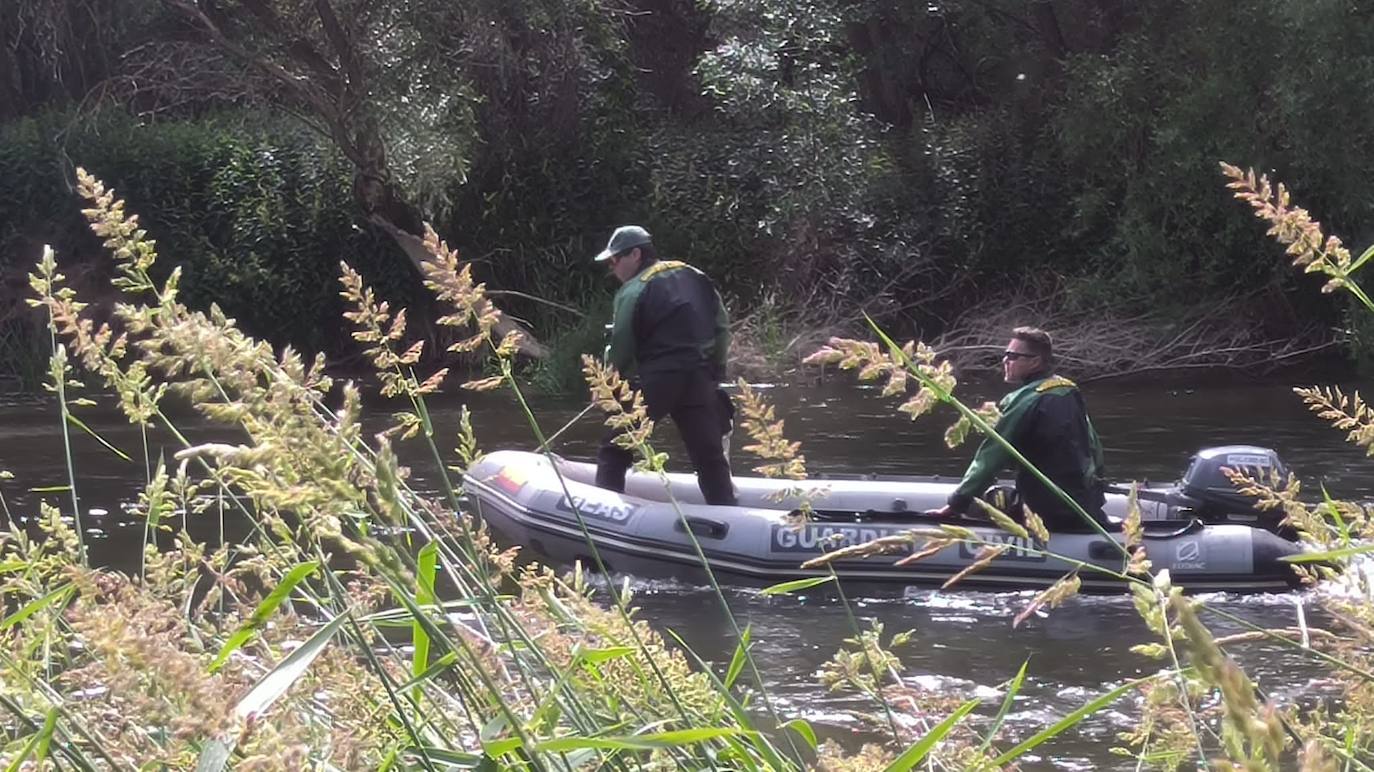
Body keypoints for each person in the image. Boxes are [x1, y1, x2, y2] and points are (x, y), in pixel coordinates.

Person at [592, 225, 738, 505]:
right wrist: (716, 371)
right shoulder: (696, 276)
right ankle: (726, 510)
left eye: (615, 260)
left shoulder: (633, 290)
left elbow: (622, 342)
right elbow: (721, 326)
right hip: (698, 377)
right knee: (708, 456)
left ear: (635, 254)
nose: (612, 268)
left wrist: (608, 383)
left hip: (659, 378)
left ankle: (603, 510)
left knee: (615, 447)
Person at [927, 327, 1107, 532]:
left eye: (1012, 356)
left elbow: (992, 456)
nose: (1005, 360)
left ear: (1035, 361)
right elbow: (1095, 449)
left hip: (1044, 515)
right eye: (1005, 355)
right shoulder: (1068, 390)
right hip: (1082, 508)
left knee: (988, 500)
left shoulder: (1025, 400)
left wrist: (956, 503)